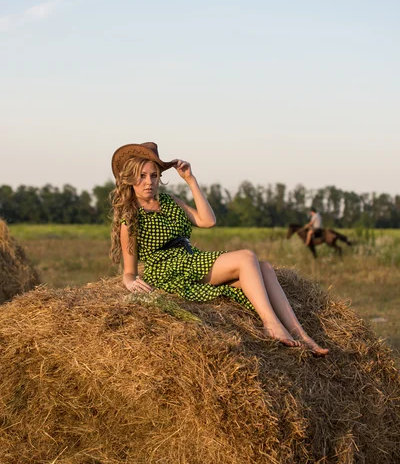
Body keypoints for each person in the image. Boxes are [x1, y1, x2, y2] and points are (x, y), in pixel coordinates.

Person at [109, 142, 328, 356]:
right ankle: (270, 324)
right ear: (130, 179)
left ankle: (302, 335)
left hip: (191, 261)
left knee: (265, 268)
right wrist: (128, 281)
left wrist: (190, 180)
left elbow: (207, 220)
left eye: (154, 175)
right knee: (246, 257)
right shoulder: (130, 218)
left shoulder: (168, 201)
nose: (149, 182)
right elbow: (130, 271)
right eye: (142, 176)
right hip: (170, 271)